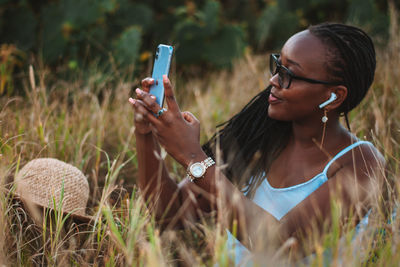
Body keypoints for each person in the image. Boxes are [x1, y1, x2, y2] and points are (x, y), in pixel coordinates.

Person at [128, 22, 385, 264]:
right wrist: (145, 133)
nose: (274, 80)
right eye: (277, 66)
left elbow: (282, 245)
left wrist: (194, 158)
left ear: (334, 96)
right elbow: (170, 215)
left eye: (289, 74)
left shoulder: (361, 164)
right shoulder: (258, 134)